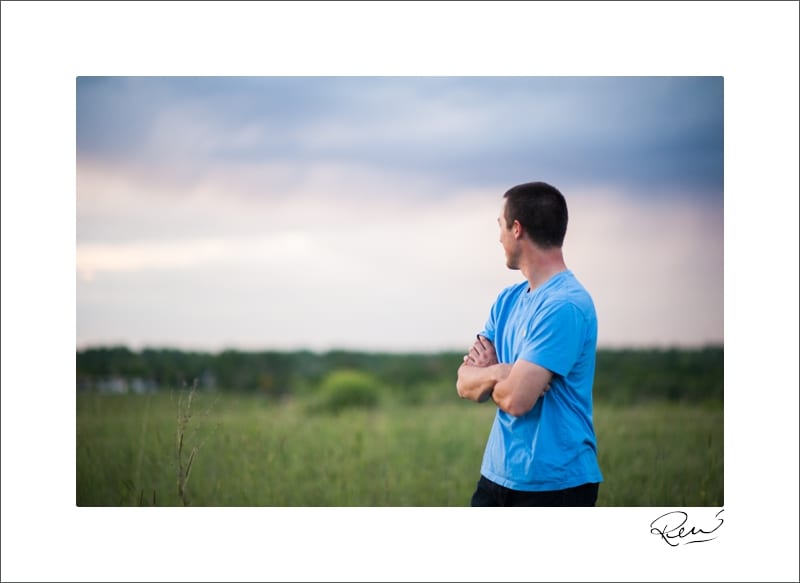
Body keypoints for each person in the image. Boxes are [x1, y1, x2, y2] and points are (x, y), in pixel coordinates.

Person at [456, 181, 603, 506]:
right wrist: (503, 371)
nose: (499, 237)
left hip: (556, 484)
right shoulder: (506, 301)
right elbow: (464, 383)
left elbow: (518, 400)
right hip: (496, 476)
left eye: (501, 226)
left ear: (517, 228)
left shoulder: (565, 305)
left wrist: (491, 375)